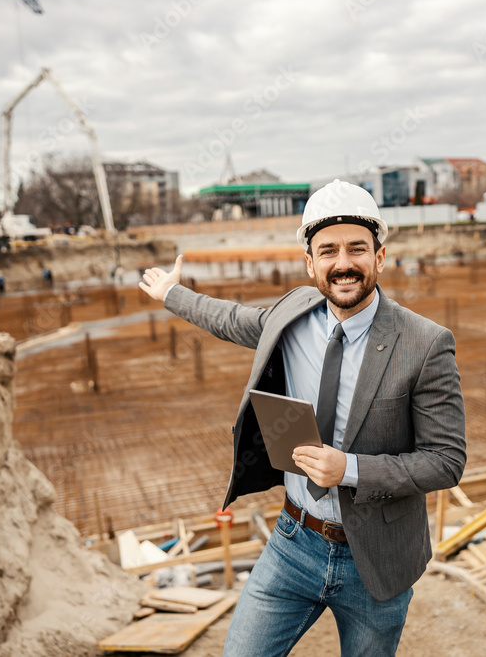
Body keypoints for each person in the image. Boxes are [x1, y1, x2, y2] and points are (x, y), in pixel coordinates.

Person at [139, 180, 466, 656]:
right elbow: (231, 319)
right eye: (328, 251)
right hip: (294, 541)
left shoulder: (425, 344)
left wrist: (348, 470)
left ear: (380, 255)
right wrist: (172, 292)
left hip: (376, 557)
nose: (343, 263)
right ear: (310, 263)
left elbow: (446, 460)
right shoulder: (292, 313)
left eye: (357, 248)